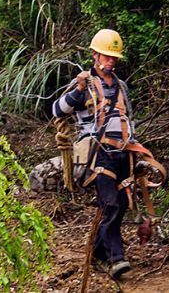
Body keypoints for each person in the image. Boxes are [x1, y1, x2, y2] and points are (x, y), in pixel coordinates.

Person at [52, 29, 134, 279]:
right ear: (95, 55)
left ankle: (97, 253)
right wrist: (77, 91)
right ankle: (116, 258)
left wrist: (136, 148)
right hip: (97, 153)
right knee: (109, 202)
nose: (111, 61)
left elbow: (129, 118)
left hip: (122, 151)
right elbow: (58, 110)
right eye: (107, 56)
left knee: (119, 205)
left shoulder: (121, 86)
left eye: (114, 57)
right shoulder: (83, 84)